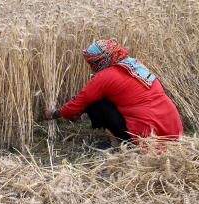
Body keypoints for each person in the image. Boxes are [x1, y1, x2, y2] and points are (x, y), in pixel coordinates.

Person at [44, 39, 183, 145]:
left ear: (102, 60)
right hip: (173, 128)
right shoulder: (135, 64)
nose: (92, 67)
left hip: (147, 135)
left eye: (93, 63)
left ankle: (117, 143)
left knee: (94, 103)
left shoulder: (104, 77)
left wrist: (53, 114)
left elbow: (77, 104)